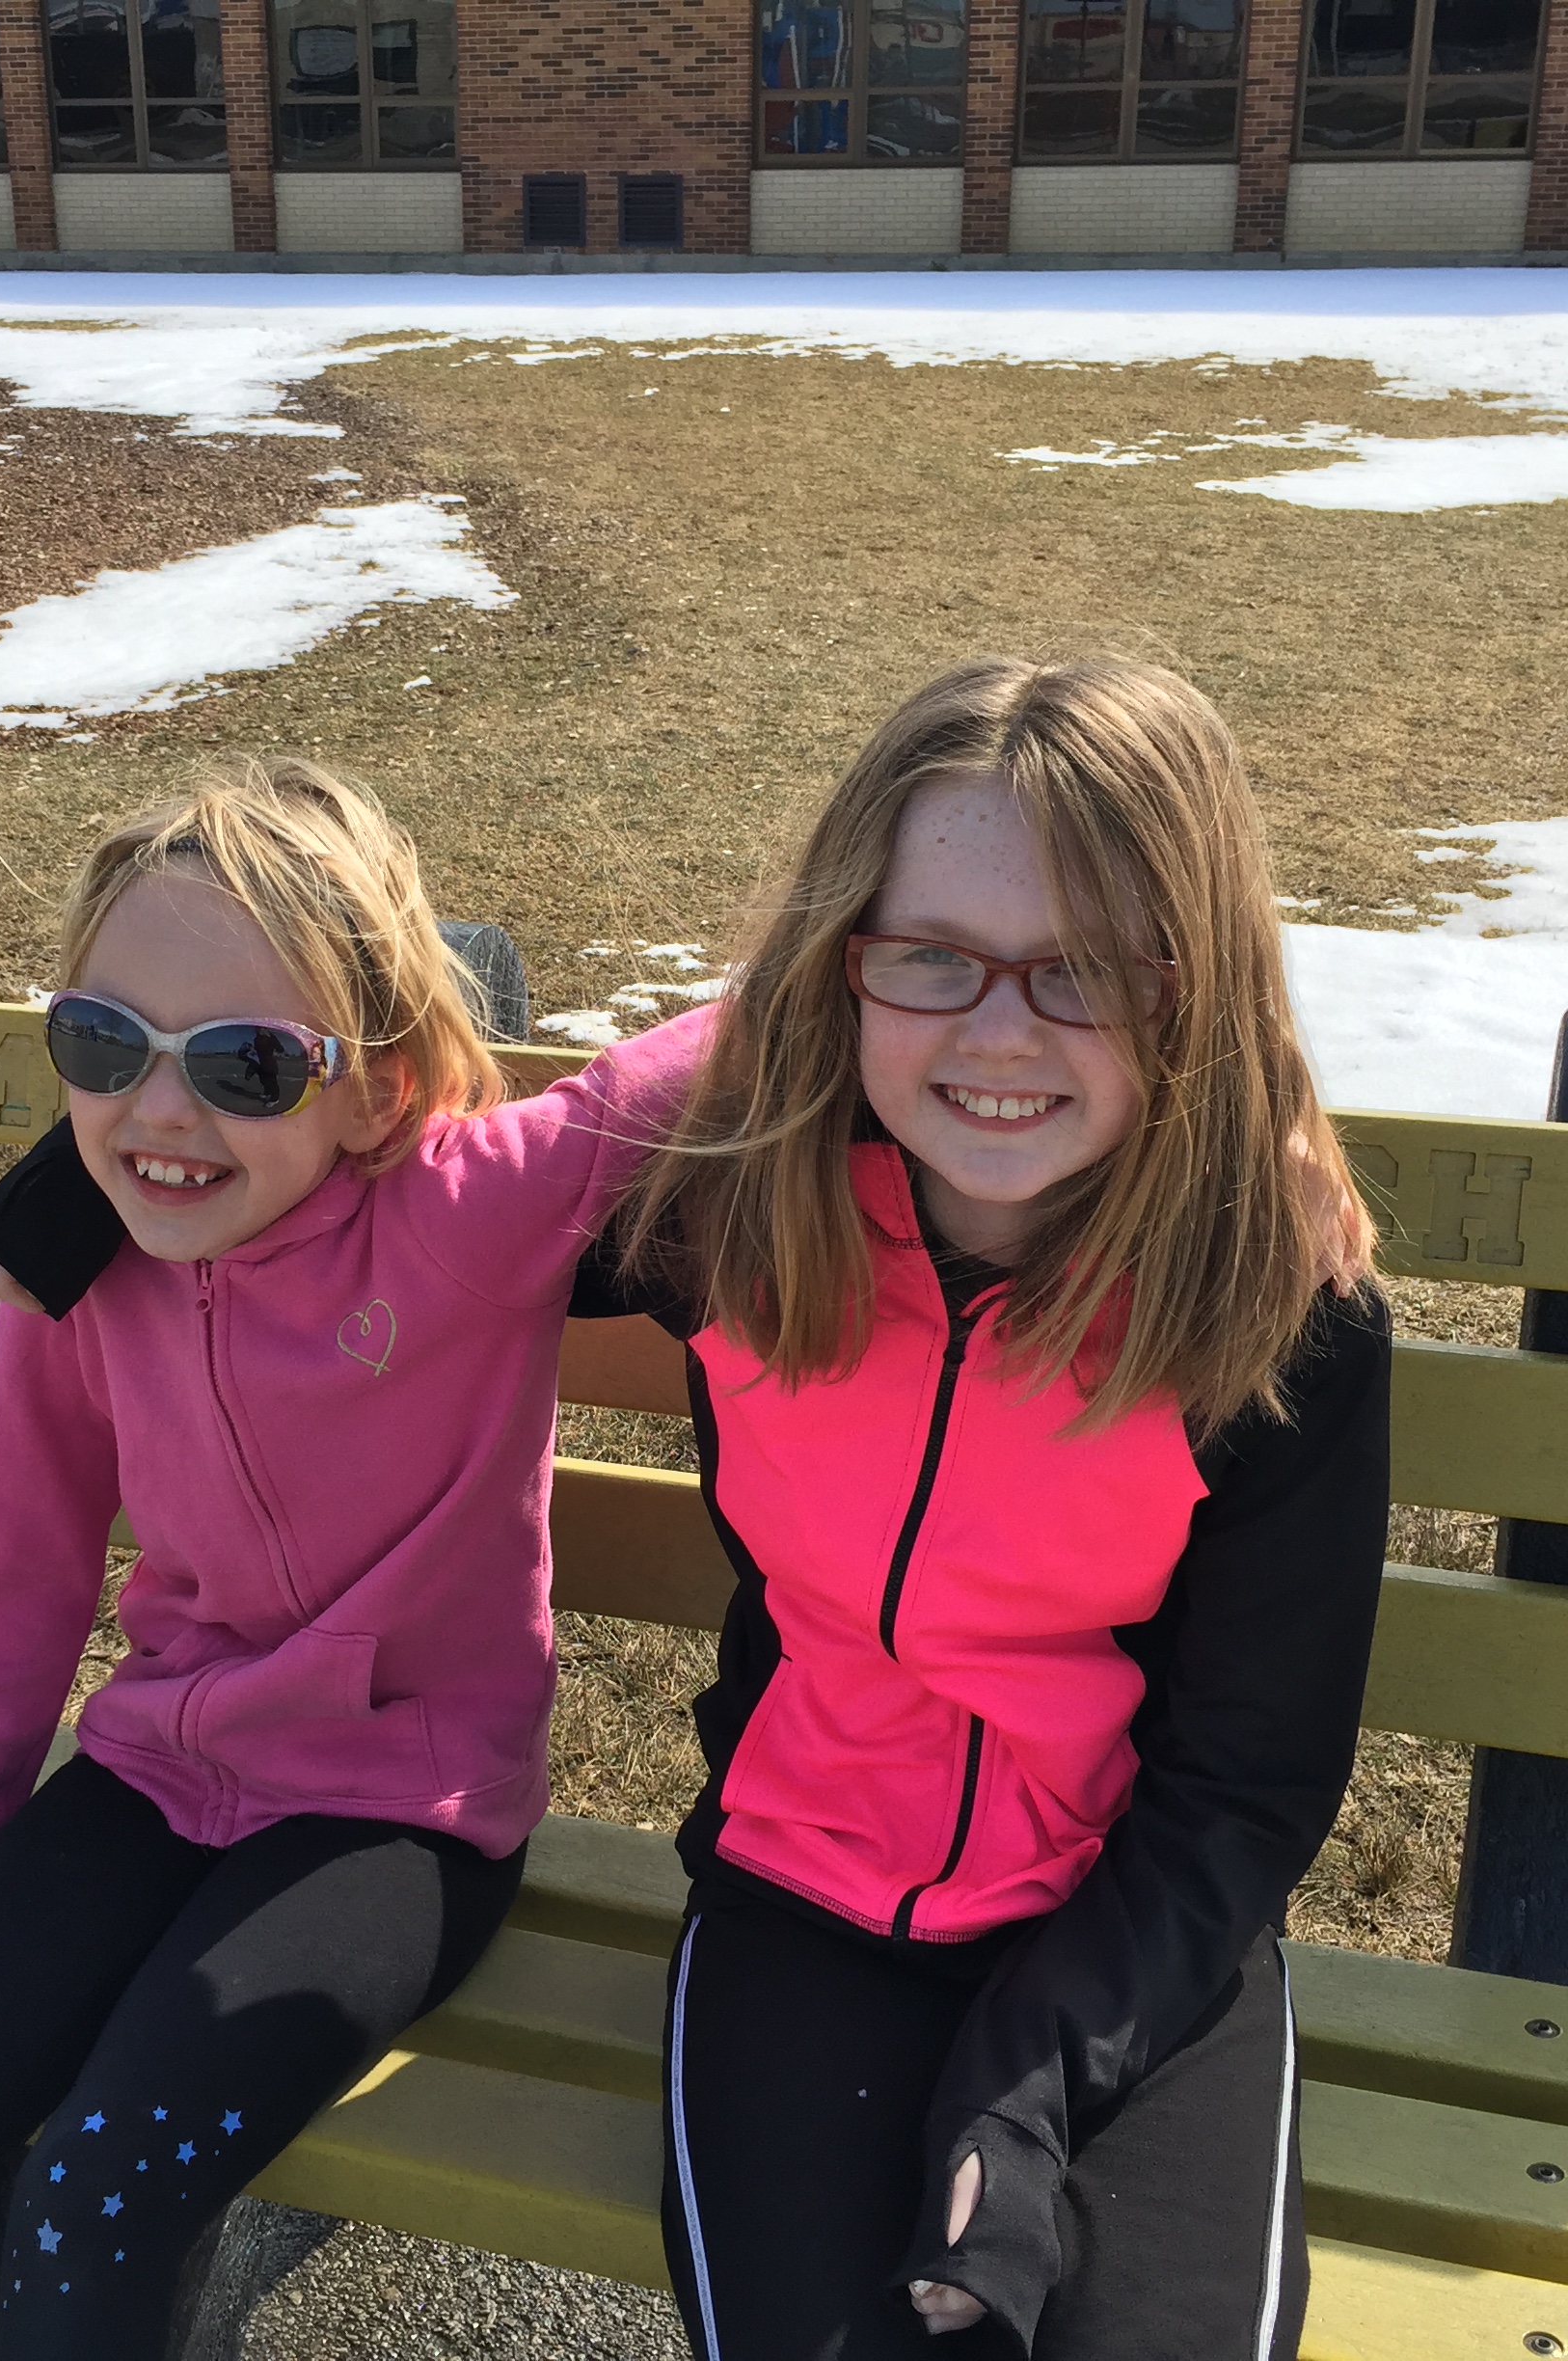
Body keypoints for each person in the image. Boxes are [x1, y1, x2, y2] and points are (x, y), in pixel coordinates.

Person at [0, 756, 700, 2361]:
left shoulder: (464, 1216)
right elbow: (9, 1581)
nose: (164, 1113)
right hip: (151, 1779)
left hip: (398, 1822)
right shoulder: (77, 1257)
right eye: (103, 1044)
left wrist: (904, 939)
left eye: (251, 1062)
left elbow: (687, 1072)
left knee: (88, 2218)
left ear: (377, 1090)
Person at [582, 654, 1389, 2360]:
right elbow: (363, 1182)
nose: (1000, 1035)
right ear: (844, 971)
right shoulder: (725, 1217)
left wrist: (1018, 2104)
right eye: (932, 957)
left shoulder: (1273, 1315)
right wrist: (117, 1127)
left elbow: (1243, 1795)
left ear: (1195, 990)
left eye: (1085, 971)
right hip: (800, 1900)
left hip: (1138, 1941)